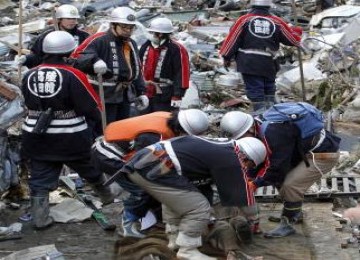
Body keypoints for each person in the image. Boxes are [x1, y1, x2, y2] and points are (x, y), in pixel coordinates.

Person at [20, 31, 117, 229]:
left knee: (39, 176)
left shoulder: (29, 74)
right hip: (70, 135)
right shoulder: (74, 74)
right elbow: (90, 106)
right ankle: (108, 198)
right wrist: (100, 125)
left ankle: (40, 218)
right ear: (68, 52)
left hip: (35, 135)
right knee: (90, 168)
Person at [117, 135, 267, 259]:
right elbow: (241, 195)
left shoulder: (220, 146)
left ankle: (174, 240)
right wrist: (254, 217)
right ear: (247, 158)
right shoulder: (232, 158)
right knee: (199, 207)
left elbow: (196, 186)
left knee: (179, 199)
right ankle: (187, 250)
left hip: (146, 163)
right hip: (154, 166)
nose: (247, 169)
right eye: (250, 166)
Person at [220, 104, 341, 238]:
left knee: (291, 185)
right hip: (300, 151)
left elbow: (277, 167)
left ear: (249, 128)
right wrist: (248, 177)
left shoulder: (274, 132)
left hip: (322, 155)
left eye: (242, 137)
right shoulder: (257, 125)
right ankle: (295, 212)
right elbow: (264, 162)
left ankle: (288, 224)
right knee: (277, 180)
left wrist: (255, 183)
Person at [93, 109, 212, 238]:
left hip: (129, 153)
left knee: (157, 184)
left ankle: (151, 214)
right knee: (142, 188)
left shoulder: (172, 122)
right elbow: (142, 163)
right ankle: (128, 224)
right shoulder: (153, 136)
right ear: (181, 129)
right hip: (108, 154)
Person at [219, 0, 302, 111]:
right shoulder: (277, 22)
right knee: (269, 88)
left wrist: (226, 57)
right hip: (269, 63)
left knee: (255, 90)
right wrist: (297, 32)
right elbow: (293, 41)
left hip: (249, 62)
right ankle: (271, 114)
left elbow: (232, 40)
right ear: (269, 6)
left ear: (252, 5)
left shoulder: (243, 20)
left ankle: (260, 114)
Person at [71, 7, 149, 124]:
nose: (128, 30)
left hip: (125, 95)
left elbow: (136, 68)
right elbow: (76, 57)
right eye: (124, 27)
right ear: (113, 25)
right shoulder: (98, 39)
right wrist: (94, 61)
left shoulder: (131, 43)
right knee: (104, 128)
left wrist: (140, 92)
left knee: (122, 128)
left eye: (131, 27)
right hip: (103, 95)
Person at [139, 17, 190, 113]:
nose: (150, 35)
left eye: (152, 33)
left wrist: (177, 97)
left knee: (162, 121)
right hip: (145, 92)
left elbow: (182, 74)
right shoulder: (145, 46)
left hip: (165, 95)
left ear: (160, 34)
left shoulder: (177, 49)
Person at [16, 4, 89, 68]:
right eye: (68, 18)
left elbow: (89, 55)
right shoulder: (47, 36)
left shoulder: (84, 36)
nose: (72, 21)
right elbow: (37, 56)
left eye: (74, 18)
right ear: (59, 19)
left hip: (76, 72)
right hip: (53, 69)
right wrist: (26, 59)